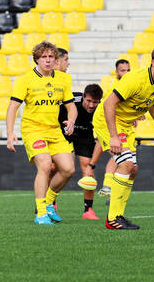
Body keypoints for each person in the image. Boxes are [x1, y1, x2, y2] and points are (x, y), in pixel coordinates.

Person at [93, 45, 154, 230]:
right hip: (108, 121)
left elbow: (153, 104)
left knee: (133, 169)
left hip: (126, 125)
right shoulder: (135, 79)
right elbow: (108, 104)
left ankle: (118, 215)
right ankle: (112, 218)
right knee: (126, 165)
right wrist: (114, 137)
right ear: (153, 62)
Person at [6, 41, 77, 225]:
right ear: (37, 59)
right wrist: (10, 133)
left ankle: (48, 202)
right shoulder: (26, 79)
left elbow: (71, 107)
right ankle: (40, 212)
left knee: (68, 169)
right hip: (33, 129)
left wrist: (71, 120)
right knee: (45, 165)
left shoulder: (63, 79)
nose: (47, 60)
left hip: (54, 131)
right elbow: (13, 107)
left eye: (51, 57)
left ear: (55, 60)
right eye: (43, 57)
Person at [58, 84, 103, 219]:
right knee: (55, 167)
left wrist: (91, 165)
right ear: (83, 96)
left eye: (95, 102)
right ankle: (50, 203)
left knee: (88, 171)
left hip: (84, 135)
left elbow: (101, 140)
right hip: (63, 133)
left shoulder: (101, 111)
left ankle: (88, 210)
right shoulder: (70, 101)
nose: (91, 105)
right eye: (88, 101)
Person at [95, 59, 131, 197]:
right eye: (123, 70)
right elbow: (110, 106)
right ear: (116, 72)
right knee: (121, 156)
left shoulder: (129, 84)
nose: (126, 73)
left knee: (126, 161)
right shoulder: (116, 87)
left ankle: (112, 189)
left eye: (128, 70)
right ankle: (109, 188)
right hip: (110, 124)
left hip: (123, 124)